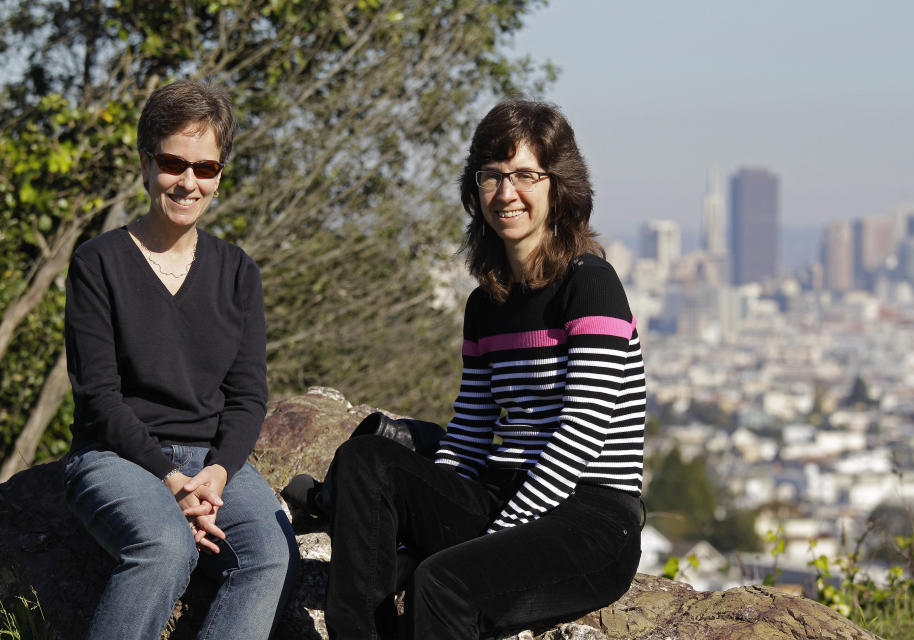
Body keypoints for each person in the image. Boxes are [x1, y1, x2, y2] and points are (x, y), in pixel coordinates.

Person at [314, 99, 646, 638]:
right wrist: (429, 520)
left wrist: (491, 537)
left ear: (558, 186)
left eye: (525, 175)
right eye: (491, 176)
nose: (506, 192)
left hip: (589, 517)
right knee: (366, 460)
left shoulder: (591, 284)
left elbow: (582, 432)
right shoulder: (484, 305)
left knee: (441, 582)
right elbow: (469, 430)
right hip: (500, 493)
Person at [62, 79, 298, 639]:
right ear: (146, 165)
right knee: (165, 546)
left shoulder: (239, 272)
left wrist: (212, 477)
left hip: (214, 466)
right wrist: (172, 483)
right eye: (174, 163)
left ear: (220, 175)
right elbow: (98, 396)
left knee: (269, 553)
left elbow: (247, 398)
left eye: (207, 168)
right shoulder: (97, 263)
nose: (189, 182)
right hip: (116, 458)